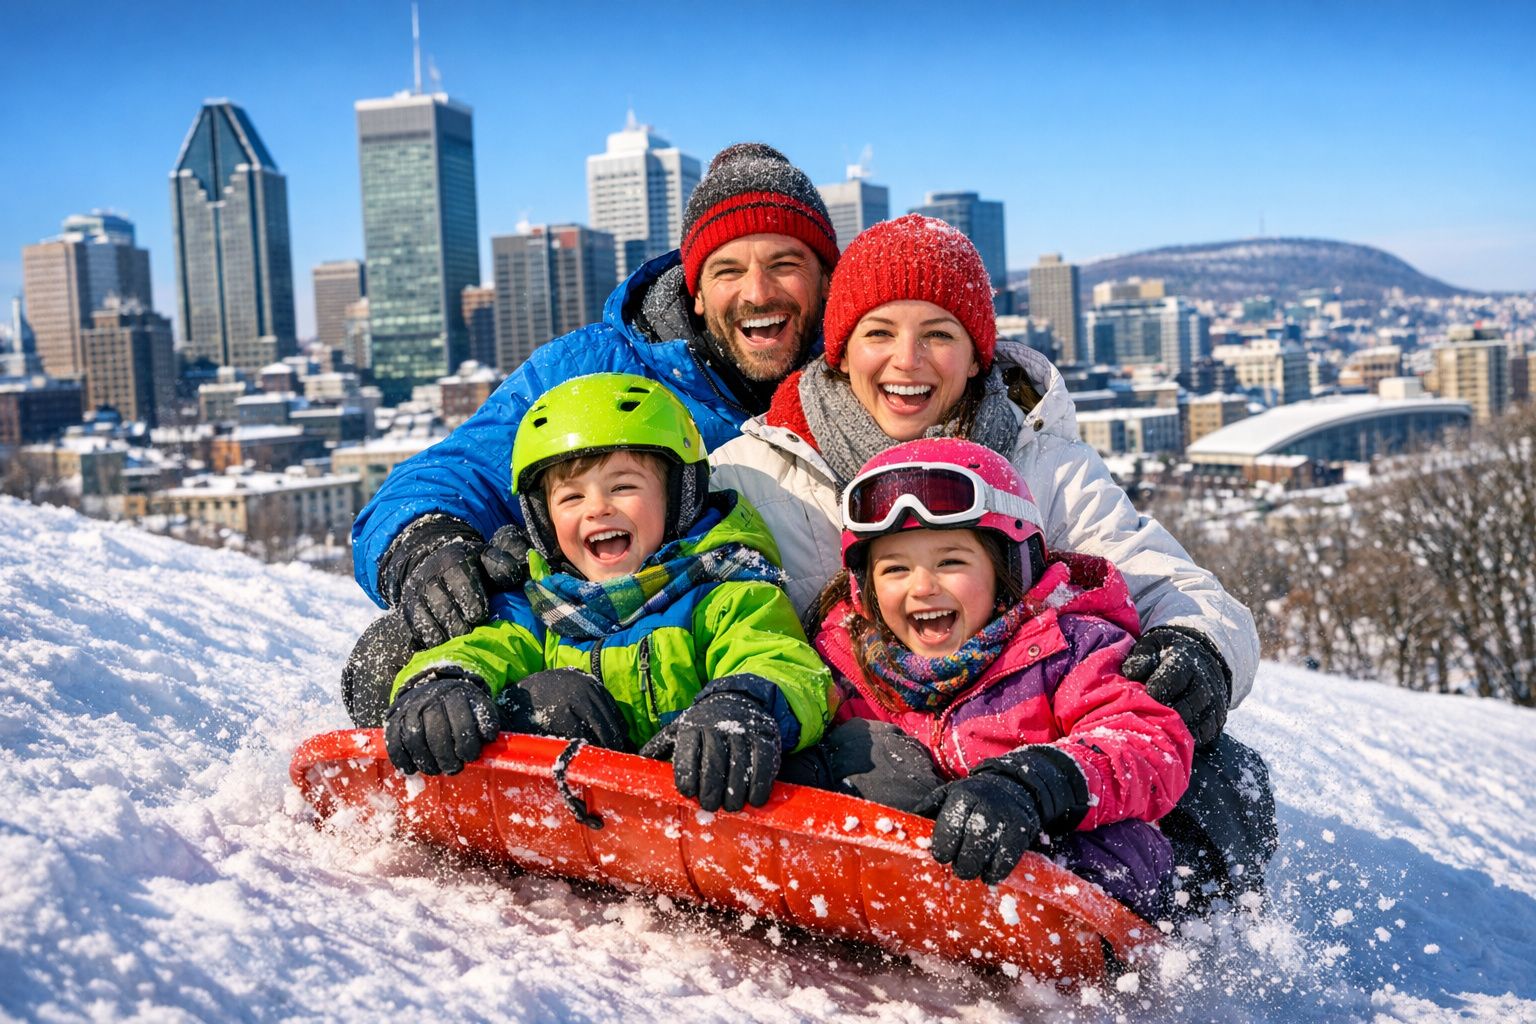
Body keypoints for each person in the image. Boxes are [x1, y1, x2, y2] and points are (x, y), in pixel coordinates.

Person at [710, 214, 1276, 907]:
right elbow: (659, 557)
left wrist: (1198, 645)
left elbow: (1166, 581)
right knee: (879, 762)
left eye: (939, 335)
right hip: (863, 741)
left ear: (979, 355)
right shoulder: (759, 473)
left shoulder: (1044, 464)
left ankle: (1158, 934)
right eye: (879, 334)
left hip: (1027, 738)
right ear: (840, 352)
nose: (907, 361)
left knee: (1213, 771)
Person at [341, 142, 841, 724]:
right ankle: (494, 763)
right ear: (696, 292)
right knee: (400, 657)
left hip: (786, 665)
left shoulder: (870, 374)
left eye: (785, 264)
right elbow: (458, 472)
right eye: (728, 269)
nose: (758, 292)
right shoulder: (594, 371)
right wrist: (431, 548)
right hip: (604, 652)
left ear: (826, 280)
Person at [379, 373, 832, 815]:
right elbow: (485, 646)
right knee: (555, 696)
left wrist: (742, 704)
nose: (597, 508)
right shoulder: (540, 604)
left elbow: (777, 656)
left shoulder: (724, 593)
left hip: (693, 797)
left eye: (623, 487)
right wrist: (444, 683)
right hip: (572, 812)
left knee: (813, 761)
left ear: (678, 496)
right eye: (571, 498)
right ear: (543, 521)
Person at [794, 438, 1192, 917]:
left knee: (1125, 836)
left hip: (1058, 872)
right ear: (867, 589)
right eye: (895, 568)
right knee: (868, 747)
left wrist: (1037, 784)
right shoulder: (851, 661)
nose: (922, 587)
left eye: (951, 562)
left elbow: (1147, 741)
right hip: (916, 879)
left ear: (1010, 568)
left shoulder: (1069, 648)